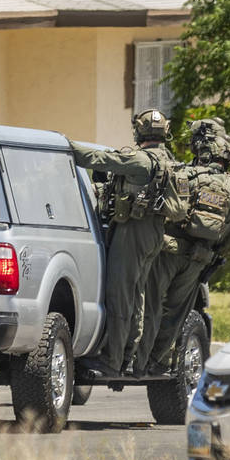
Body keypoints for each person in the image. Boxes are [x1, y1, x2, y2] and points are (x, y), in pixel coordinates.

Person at [133, 118, 230, 375]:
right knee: (174, 315)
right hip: (198, 259)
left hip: (168, 252)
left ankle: (136, 363)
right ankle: (156, 363)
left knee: (150, 308)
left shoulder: (183, 175)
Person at [71, 108, 180, 379]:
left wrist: (64, 145)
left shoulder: (141, 160)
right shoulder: (169, 160)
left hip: (133, 231)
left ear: (139, 131)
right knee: (137, 296)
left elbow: (96, 158)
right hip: (155, 233)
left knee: (120, 296)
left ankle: (112, 361)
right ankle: (130, 358)